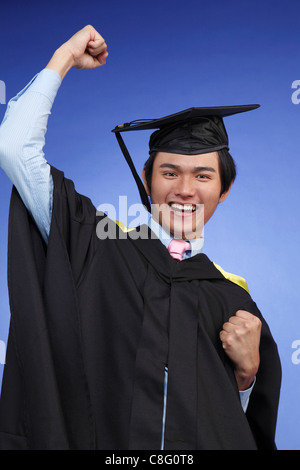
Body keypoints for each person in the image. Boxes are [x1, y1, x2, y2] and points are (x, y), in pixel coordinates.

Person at [0, 25, 281, 450]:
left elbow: (232, 431)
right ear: (147, 181)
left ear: (223, 190)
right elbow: (14, 149)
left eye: (203, 175)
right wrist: (63, 59)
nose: (185, 189)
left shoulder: (231, 299)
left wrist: (245, 378)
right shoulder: (95, 244)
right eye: (170, 172)